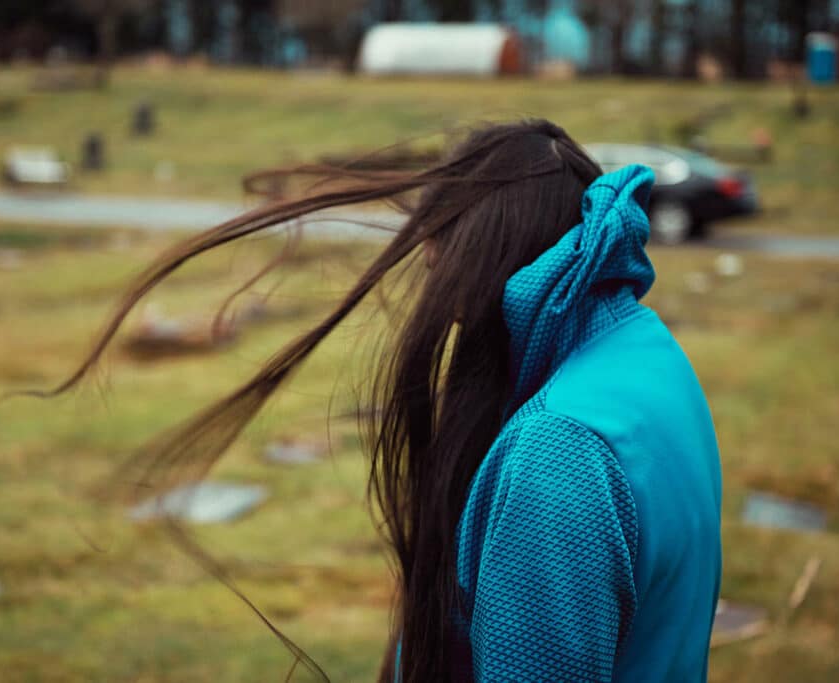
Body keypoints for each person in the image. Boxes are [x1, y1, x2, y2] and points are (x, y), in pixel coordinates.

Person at [49, 120, 722, 682]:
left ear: (474, 249)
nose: (430, 272)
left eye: (439, 255)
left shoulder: (558, 453)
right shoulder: (646, 353)